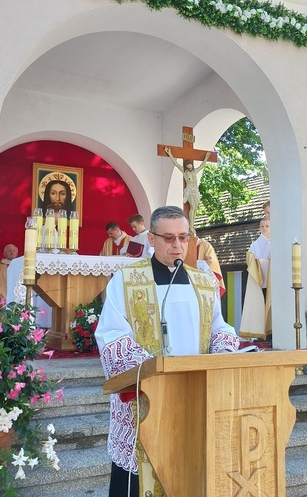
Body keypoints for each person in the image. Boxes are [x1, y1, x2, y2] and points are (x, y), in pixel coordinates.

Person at [95, 205, 239, 497]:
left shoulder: (204, 282)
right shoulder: (126, 280)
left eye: (184, 238)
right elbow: (111, 334)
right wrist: (153, 368)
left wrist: (224, 349)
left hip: (196, 394)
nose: (178, 245)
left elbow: (219, 327)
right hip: (148, 398)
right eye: (169, 238)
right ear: (151, 238)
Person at [164, 147, 210, 234]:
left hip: (195, 191)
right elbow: (176, 163)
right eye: (188, 165)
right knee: (192, 206)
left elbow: (202, 166)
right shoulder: (185, 172)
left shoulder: (194, 172)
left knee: (195, 208)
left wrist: (206, 157)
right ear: (186, 166)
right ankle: (190, 226)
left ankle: (192, 225)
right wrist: (170, 153)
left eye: (190, 164)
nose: (190, 166)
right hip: (189, 192)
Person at [239, 219, 272, 341]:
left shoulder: (275, 243)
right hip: (257, 277)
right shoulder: (254, 245)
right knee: (258, 304)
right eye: (262, 226)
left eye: (267, 226)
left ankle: (269, 331)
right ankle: (258, 332)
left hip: (271, 277)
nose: (264, 228)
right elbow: (250, 258)